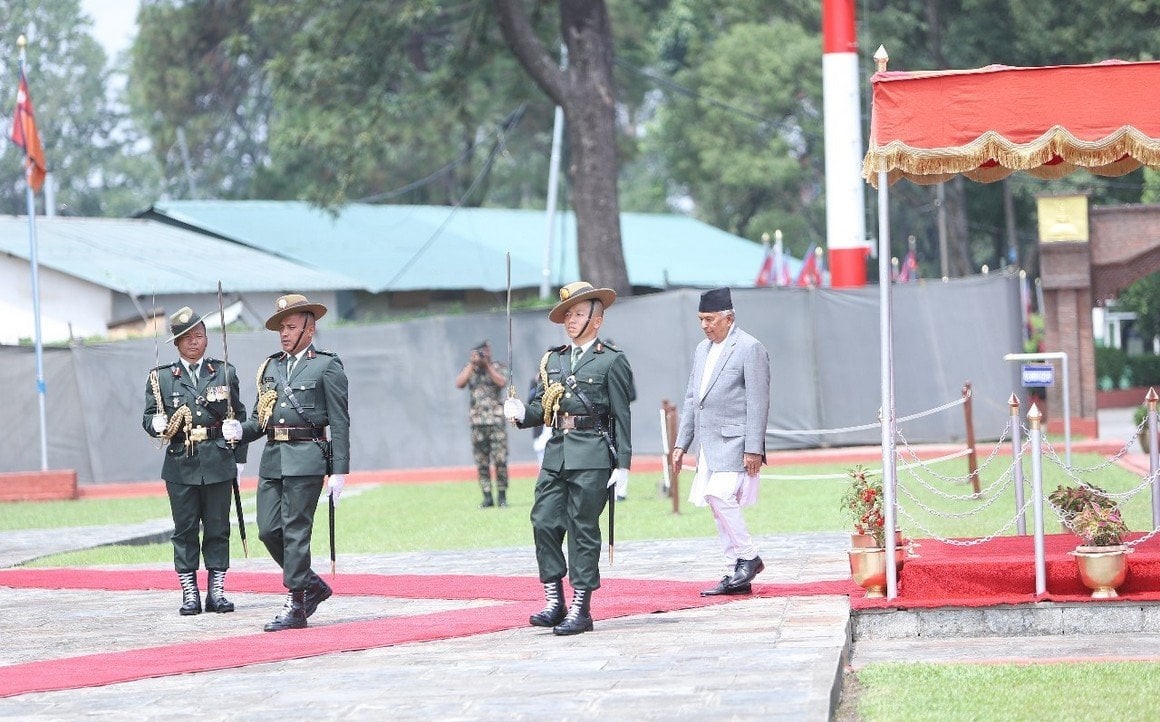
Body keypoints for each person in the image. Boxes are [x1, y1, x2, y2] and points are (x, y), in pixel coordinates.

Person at [503, 281, 633, 636]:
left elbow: (622, 416)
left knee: (582, 529)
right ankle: (554, 599)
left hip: (592, 454)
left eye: (577, 314)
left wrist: (623, 465)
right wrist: (520, 412)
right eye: (567, 316)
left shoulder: (611, 360)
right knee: (543, 521)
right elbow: (542, 407)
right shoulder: (554, 359)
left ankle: (581, 608)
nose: (570, 321)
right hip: (557, 452)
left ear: (597, 319)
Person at [222, 294, 349, 632]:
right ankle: (312, 584)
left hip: (307, 459)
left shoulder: (326, 365)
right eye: (281, 328)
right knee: (267, 530)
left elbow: (340, 422)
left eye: (291, 327)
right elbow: (261, 421)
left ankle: (296, 604)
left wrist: (340, 470)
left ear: (310, 328)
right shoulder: (271, 367)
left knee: (295, 532)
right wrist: (239, 432)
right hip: (273, 460)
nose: (284, 333)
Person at [143, 306, 247, 616]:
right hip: (180, 463)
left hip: (217, 460)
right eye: (187, 338)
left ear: (206, 339)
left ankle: (216, 592)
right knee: (185, 529)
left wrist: (238, 458)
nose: (194, 342)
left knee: (217, 527)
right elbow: (148, 417)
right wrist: (156, 425)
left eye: (199, 336)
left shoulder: (224, 372)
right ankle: (190, 593)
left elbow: (238, 417)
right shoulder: (160, 378)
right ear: (176, 343)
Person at [670, 287, 770, 597]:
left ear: (729, 318)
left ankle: (749, 557)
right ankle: (734, 571)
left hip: (736, 443)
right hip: (707, 446)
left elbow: (758, 402)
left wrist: (753, 448)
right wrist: (680, 444)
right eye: (700, 319)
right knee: (715, 506)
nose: (704, 325)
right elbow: (692, 399)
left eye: (710, 319)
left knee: (718, 496)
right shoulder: (702, 350)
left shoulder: (750, 348)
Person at [455, 340, 510, 508]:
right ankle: (487, 496)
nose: (481, 355)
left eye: (483, 352)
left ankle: (501, 496)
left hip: (496, 421)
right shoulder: (469, 369)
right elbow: (459, 383)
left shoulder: (497, 367)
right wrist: (472, 364)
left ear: (488, 351)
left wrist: (487, 366)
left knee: (500, 460)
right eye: (478, 353)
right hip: (477, 423)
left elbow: (501, 382)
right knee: (482, 461)